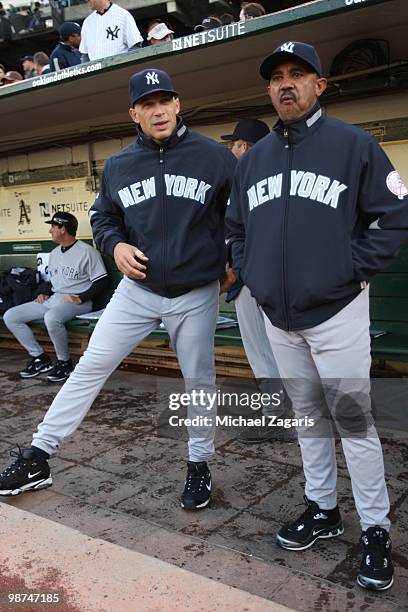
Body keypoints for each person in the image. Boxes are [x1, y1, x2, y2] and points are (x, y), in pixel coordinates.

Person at [0, 68, 236, 513]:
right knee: (90, 366)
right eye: (148, 103)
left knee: (198, 382)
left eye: (164, 100)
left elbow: (241, 215)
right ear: (134, 113)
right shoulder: (120, 165)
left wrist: (233, 263)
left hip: (194, 292)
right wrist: (116, 244)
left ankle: (199, 463)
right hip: (137, 290)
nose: (158, 110)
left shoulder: (215, 156)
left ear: (178, 104)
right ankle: (38, 455)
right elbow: (104, 219)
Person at [226, 41, 408, 591]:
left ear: (319, 85)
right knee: (308, 420)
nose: (287, 84)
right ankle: (322, 508)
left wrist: (351, 273)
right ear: (268, 89)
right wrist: (252, 274)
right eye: (277, 76)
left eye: (298, 74)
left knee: (353, 422)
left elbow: (395, 215)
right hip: (279, 318)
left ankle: (376, 529)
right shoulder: (253, 159)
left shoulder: (354, 145)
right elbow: (236, 230)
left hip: (337, 314)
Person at [221, 118, 290, 444]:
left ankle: (279, 420)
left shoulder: (249, 177)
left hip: (254, 282)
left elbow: (247, 236)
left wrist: (240, 271)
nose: (231, 151)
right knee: (281, 351)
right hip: (271, 280)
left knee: (266, 354)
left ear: (245, 147)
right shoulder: (273, 172)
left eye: (233, 145)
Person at [4, 212, 108, 383]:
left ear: (63, 229)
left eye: (53, 226)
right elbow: (53, 281)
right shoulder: (53, 253)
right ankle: (40, 358)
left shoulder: (87, 252)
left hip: (78, 301)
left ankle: (64, 362)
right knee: (11, 316)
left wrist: (81, 298)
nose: (50, 230)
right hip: (54, 299)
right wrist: (43, 292)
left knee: (51, 318)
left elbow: (102, 281)